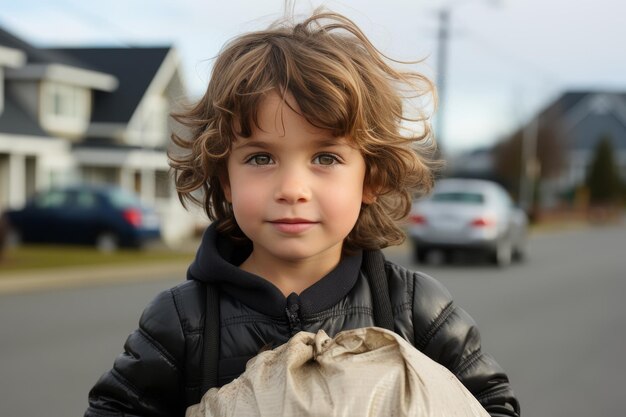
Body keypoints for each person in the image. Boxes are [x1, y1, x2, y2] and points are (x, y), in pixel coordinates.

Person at [85, 10, 520, 417]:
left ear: (371, 179)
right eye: (260, 159)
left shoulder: (415, 308)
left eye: (326, 158)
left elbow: (492, 405)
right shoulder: (183, 321)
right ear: (224, 178)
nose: (292, 189)